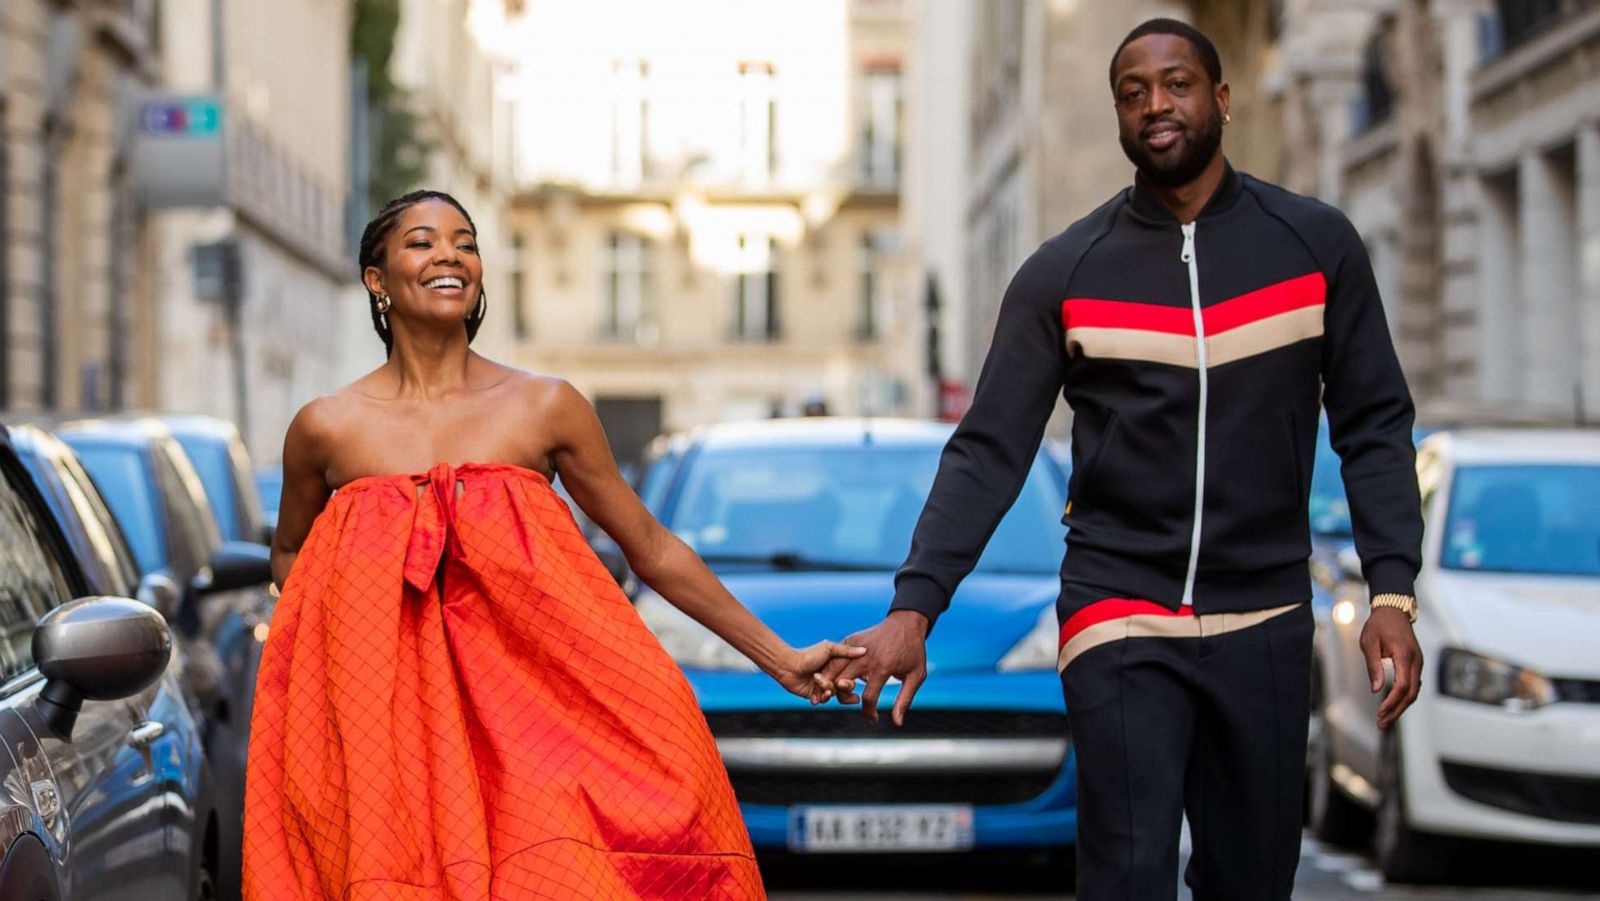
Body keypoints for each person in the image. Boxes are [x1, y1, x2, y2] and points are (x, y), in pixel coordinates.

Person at [820, 19, 1425, 901]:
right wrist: (916, 606)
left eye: (1177, 85)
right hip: (1119, 613)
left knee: (1251, 879)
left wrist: (1393, 590)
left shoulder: (1314, 247)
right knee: (1128, 872)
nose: (1157, 106)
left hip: (1264, 615)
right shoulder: (1067, 271)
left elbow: (1374, 422)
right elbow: (989, 449)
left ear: (1219, 99)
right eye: (1134, 92)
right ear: (1118, 117)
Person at [243, 190, 858, 900]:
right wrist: (356, 655)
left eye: (465, 242)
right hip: (391, 741)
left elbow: (651, 547)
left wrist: (781, 658)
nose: (449, 254)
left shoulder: (544, 406)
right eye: (421, 241)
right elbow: (294, 558)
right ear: (376, 279)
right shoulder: (327, 428)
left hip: (536, 725)